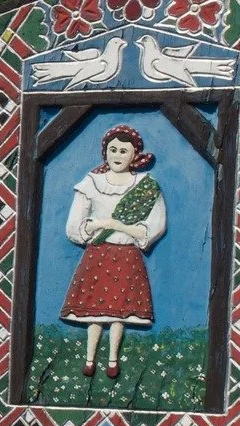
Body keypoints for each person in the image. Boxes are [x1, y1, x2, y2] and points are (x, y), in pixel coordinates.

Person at [60, 124, 166, 379]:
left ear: (134, 155)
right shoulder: (91, 182)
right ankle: (89, 359)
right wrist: (96, 226)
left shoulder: (146, 185)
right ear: (105, 152)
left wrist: (118, 225)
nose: (117, 155)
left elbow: (155, 225)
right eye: (113, 150)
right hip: (98, 254)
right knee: (94, 312)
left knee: (118, 312)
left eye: (124, 151)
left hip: (127, 255)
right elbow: (75, 225)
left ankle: (112, 360)